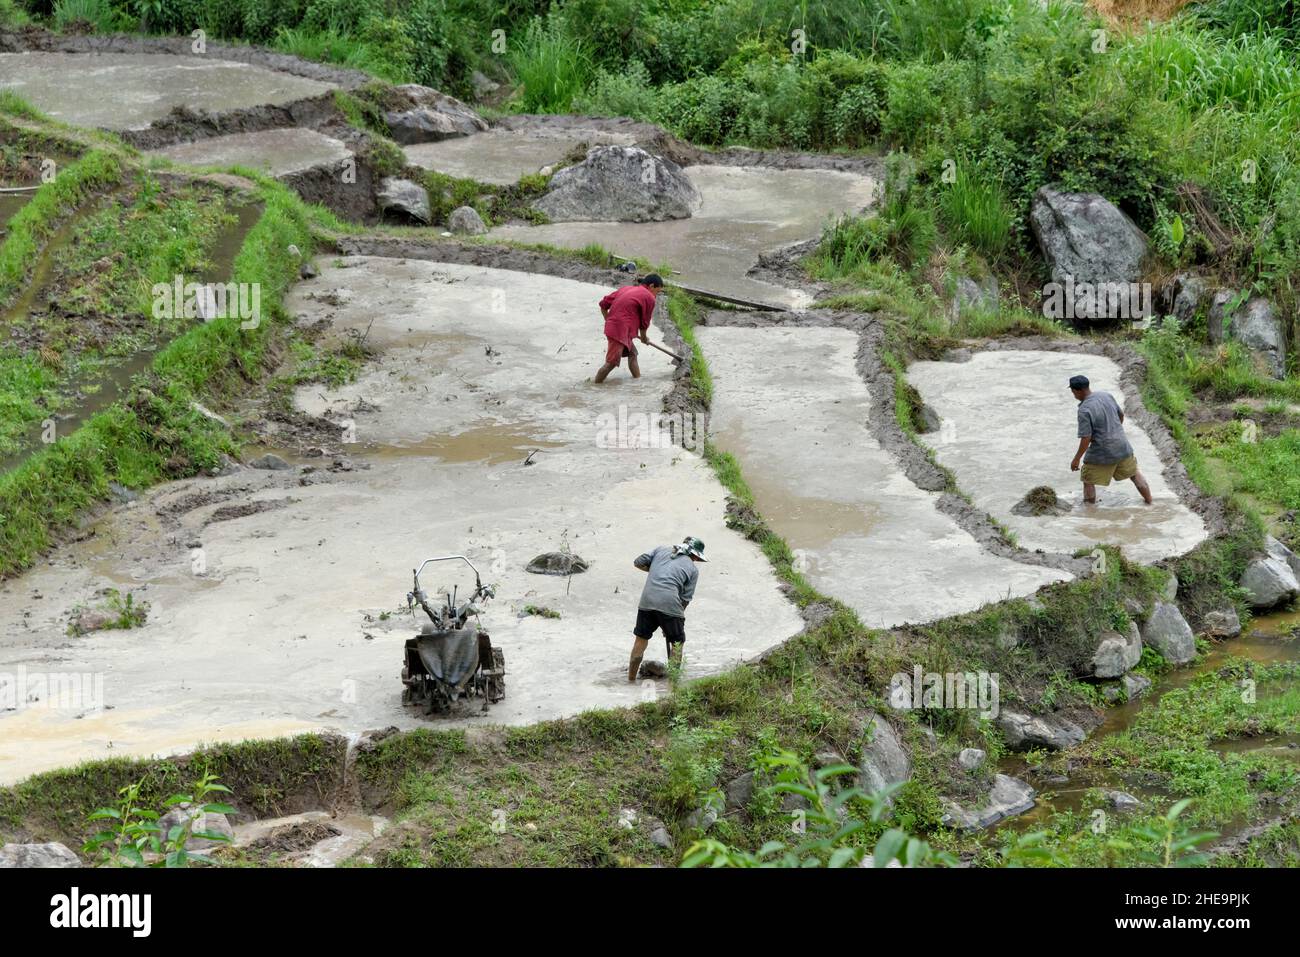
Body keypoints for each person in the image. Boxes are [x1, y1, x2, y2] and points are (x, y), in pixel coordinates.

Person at [627, 536, 706, 681]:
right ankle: (673, 683)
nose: (695, 560)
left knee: (641, 639)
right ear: (695, 555)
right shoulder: (693, 570)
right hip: (670, 603)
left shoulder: (660, 549)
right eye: (696, 558)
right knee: (677, 642)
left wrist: (655, 569)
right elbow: (685, 599)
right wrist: (672, 621)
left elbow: (638, 562)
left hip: (646, 601)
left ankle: (631, 679)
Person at [1068, 374, 1153, 505]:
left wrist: (1076, 459)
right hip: (1122, 445)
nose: (1074, 395)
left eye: (1073, 392)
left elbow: (1086, 438)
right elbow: (1121, 415)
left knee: (1088, 479)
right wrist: (1113, 432)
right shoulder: (1106, 395)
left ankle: (1089, 515)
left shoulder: (1084, 410)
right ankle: (1150, 502)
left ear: (1077, 391)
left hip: (1102, 450)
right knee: (1134, 474)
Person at [595, 274, 663, 384]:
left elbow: (603, 305)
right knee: (611, 363)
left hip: (620, 329)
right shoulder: (649, 297)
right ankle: (595, 387)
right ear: (651, 286)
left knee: (633, 354)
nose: (656, 295)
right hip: (619, 331)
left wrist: (609, 320)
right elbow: (644, 323)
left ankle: (637, 382)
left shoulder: (626, 288)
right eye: (658, 292)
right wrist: (644, 338)